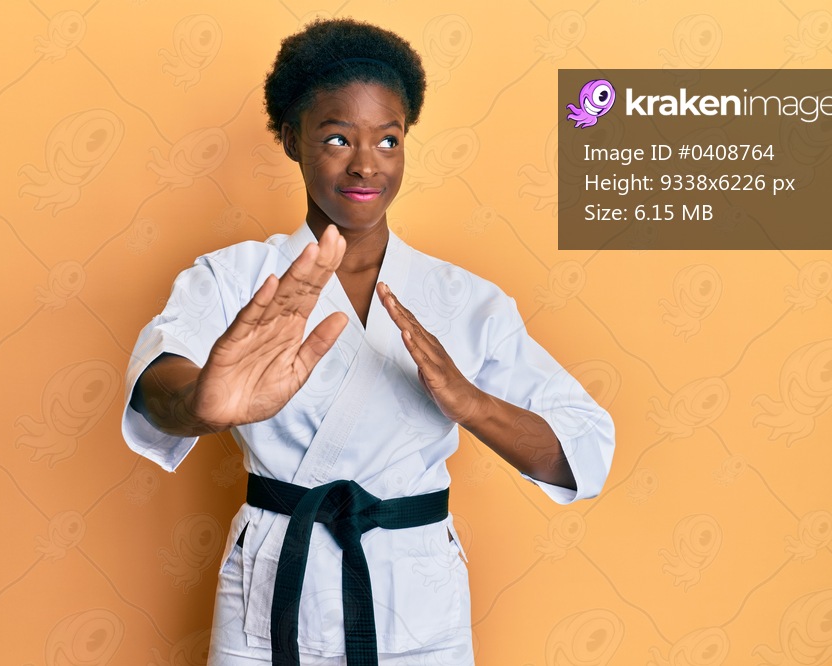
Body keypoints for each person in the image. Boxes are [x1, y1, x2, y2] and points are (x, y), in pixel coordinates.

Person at [122, 18, 615, 666]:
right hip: (272, 586)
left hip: (417, 593)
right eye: (336, 137)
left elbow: (584, 450)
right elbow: (160, 380)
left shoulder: (465, 300)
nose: (365, 164)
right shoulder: (235, 276)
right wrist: (197, 405)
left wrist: (471, 404)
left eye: (388, 139)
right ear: (291, 139)